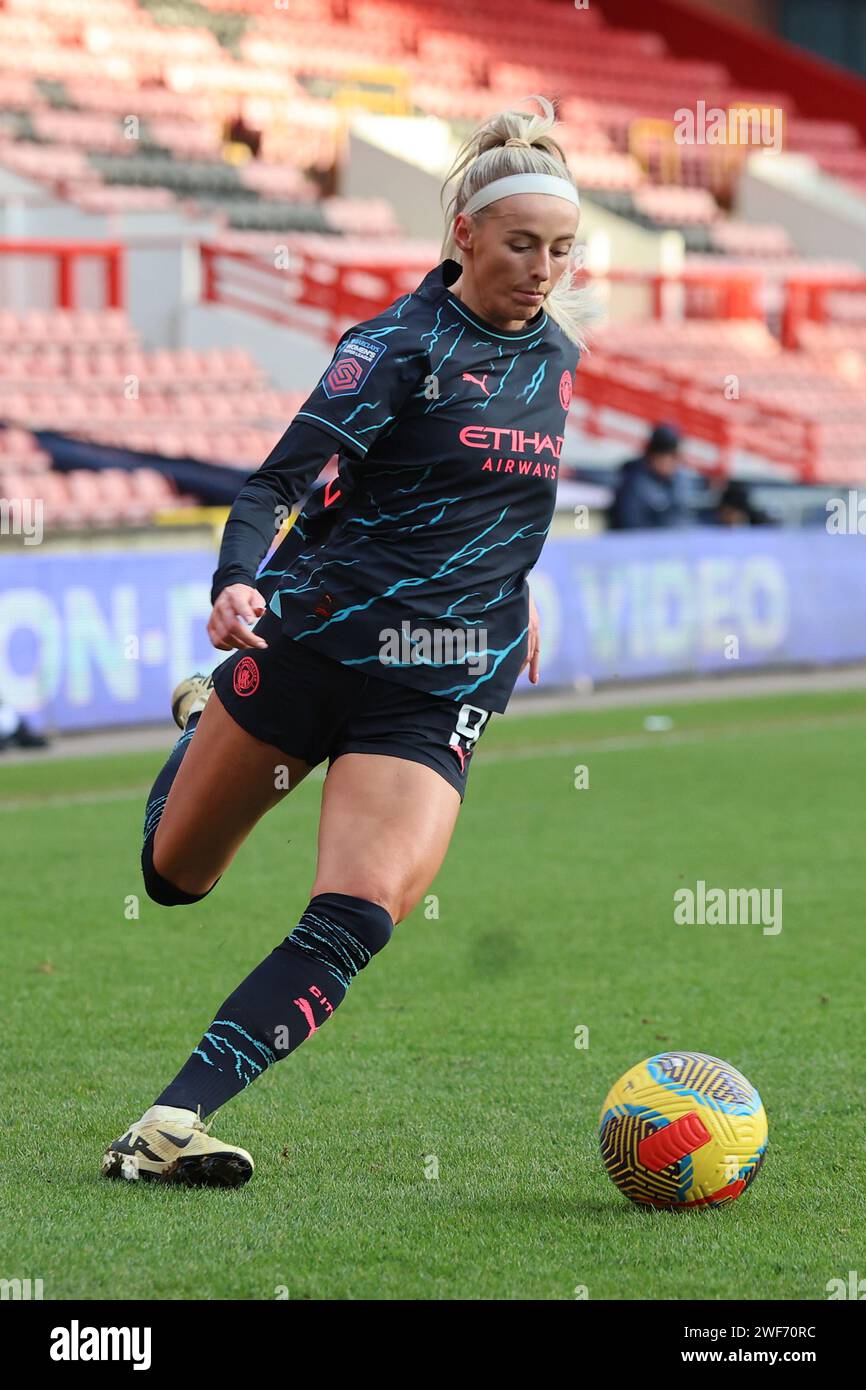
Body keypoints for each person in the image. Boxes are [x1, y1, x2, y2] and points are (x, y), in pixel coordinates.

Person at [101, 94, 593, 1188]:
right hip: (317, 647)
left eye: (561, 248)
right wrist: (237, 584)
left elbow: (504, 505)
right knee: (174, 876)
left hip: (439, 683)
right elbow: (277, 483)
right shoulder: (392, 347)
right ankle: (212, 705)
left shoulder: (558, 357)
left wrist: (519, 599)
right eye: (521, 244)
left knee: (360, 910)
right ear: (462, 234)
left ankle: (170, 1122)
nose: (543, 267)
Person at [608, 423, 691, 530]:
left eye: (675, 457)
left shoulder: (678, 478)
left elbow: (683, 519)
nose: (672, 463)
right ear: (652, 456)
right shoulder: (634, 483)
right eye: (666, 457)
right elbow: (631, 528)